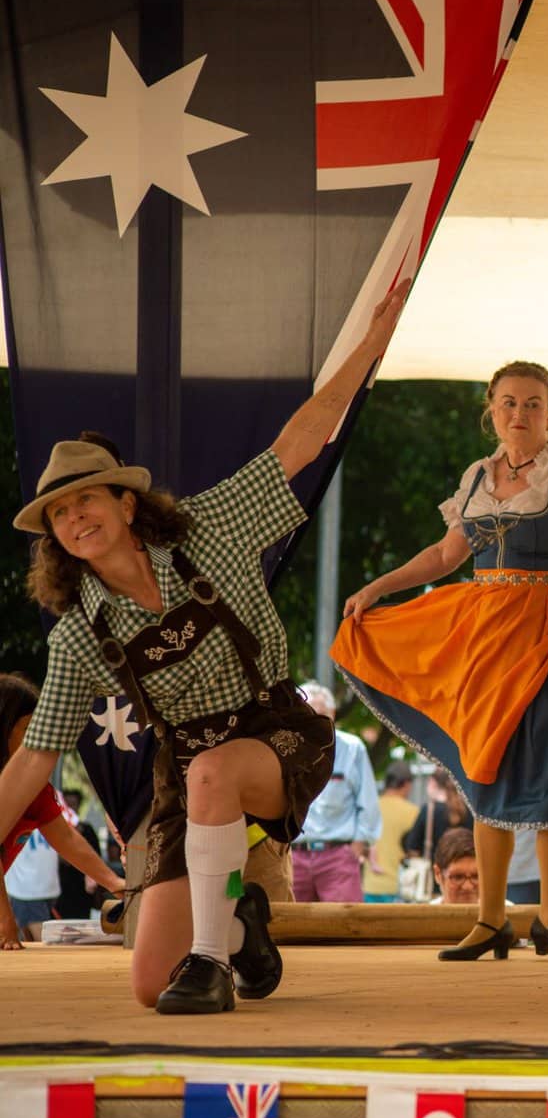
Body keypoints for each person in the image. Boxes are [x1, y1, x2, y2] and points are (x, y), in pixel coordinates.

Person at [0, 282, 411, 1013]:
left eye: (87, 497)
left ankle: (213, 964)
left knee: (214, 772)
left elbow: (299, 441)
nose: (75, 516)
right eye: (59, 512)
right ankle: (242, 924)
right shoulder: (79, 633)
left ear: (126, 503)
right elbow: (35, 757)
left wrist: (370, 345)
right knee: (147, 985)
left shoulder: (208, 528)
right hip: (184, 768)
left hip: (278, 733)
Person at [334, 360, 548, 963]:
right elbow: (445, 556)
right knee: (488, 767)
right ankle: (490, 920)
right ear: (491, 408)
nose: (520, 413)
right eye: (509, 402)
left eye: (533, 403)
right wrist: (378, 588)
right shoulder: (476, 478)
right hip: (487, 640)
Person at [1, 674, 125, 948]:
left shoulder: (35, 790)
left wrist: (113, 882)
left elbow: (66, 839)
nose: (38, 742)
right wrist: (5, 919)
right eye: (28, 730)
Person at [290, 682, 382, 903]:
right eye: (306, 713)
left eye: (320, 714)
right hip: (293, 856)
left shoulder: (352, 748)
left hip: (338, 857)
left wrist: (358, 845)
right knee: (290, 922)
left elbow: (368, 802)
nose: (313, 720)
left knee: (344, 922)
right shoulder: (286, 749)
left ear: (332, 714)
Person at [365, 764, 416, 903]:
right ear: (406, 784)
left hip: (369, 885)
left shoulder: (370, 808)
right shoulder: (412, 812)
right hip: (397, 886)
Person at [429, 828, 482, 906]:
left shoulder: (499, 911)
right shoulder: (424, 913)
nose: (468, 886)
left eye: (476, 877)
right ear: (438, 874)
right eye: (458, 877)